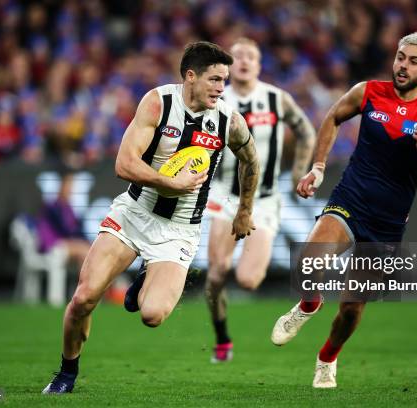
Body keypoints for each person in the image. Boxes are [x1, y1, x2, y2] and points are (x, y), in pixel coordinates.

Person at [42, 41, 260, 394]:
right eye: (215, 79)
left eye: (225, 81)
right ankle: (66, 373)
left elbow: (251, 159)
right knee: (83, 299)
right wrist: (169, 182)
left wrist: (245, 210)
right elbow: (123, 164)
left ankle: (144, 280)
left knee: (153, 316)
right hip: (134, 214)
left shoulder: (228, 120)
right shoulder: (159, 103)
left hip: (179, 230)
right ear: (190, 76)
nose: (222, 88)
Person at [270, 32, 417, 388]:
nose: (403, 65)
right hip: (350, 199)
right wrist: (319, 167)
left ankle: (327, 358)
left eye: (413, 61)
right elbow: (333, 117)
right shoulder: (368, 91)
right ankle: (309, 304)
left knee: (352, 307)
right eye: (400, 57)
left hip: (388, 222)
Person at [203, 37, 316, 363]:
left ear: (259, 63)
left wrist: (299, 172)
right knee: (216, 273)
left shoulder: (275, 98)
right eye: (237, 56)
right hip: (224, 195)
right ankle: (222, 338)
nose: (244, 61)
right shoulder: (216, 97)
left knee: (249, 280)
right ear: (228, 64)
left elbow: (306, 130)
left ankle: (244, 268)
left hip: (264, 199)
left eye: (251, 56)